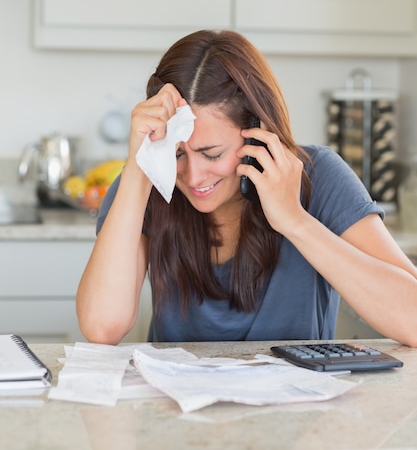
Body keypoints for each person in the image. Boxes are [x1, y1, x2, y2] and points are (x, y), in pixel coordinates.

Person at [76, 30, 417, 346]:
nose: (193, 177)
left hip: (297, 409)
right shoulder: (146, 184)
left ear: (257, 131)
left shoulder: (319, 176)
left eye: (213, 153)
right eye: (178, 153)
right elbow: (102, 327)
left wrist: (295, 221)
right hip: (177, 410)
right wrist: (139, 166)